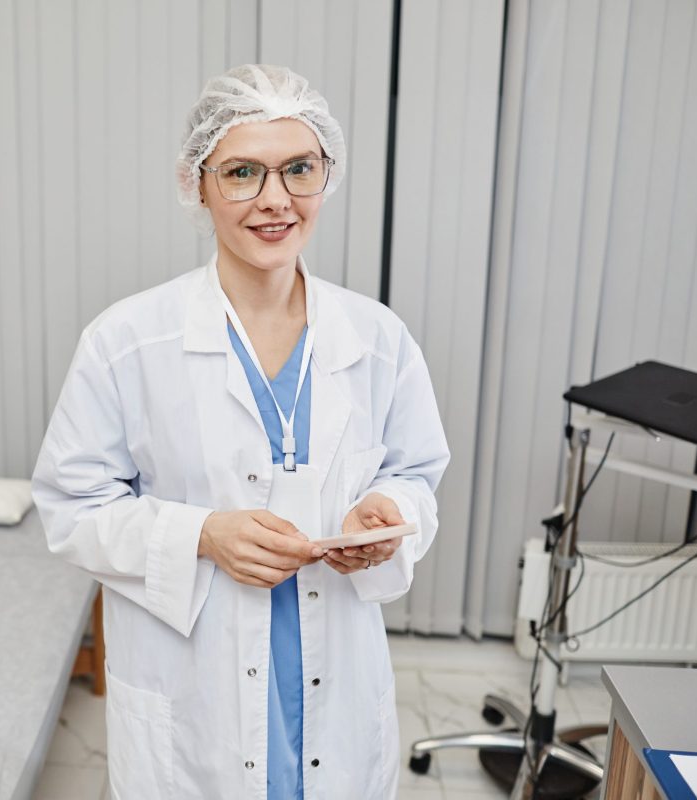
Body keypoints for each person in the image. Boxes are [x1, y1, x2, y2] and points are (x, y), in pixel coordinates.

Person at [32, 64, 450, 800]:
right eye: (242, 173)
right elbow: (71, 508)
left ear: (328, 173)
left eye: (299, 169)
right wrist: (202, 534)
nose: (275, 200)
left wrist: (390, 515)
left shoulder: (378, 338)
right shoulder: (127, 341)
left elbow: (414, 472)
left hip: (336, 677)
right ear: (198, 184)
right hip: (195, 688)